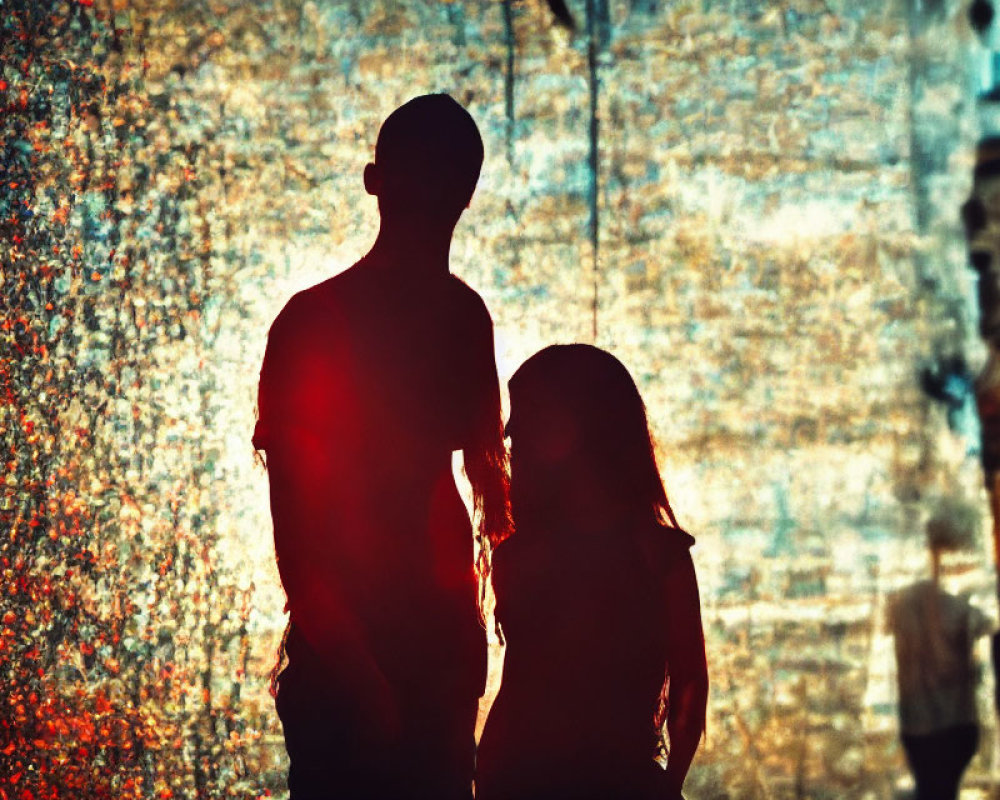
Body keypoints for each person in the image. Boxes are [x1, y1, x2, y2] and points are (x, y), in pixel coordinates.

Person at [253, 94, 509, 800]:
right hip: (371, 661)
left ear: (375, 179)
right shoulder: (328, 324)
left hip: (408, 657)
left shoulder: (336, 320)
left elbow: (489, 496)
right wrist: (366, 679)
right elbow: (302, 546)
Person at [475, 344, 708, 800]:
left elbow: (690, 685)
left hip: (524, 776)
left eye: (523, 432)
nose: (512, 447)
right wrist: (669, 782)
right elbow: (691, 685)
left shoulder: (521, 556)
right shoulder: (659, 556)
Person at [886, 500, 992, 800]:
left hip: (918, 725)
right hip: (955, 725)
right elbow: (985, 625)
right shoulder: (959, 611)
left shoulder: (903, 604)